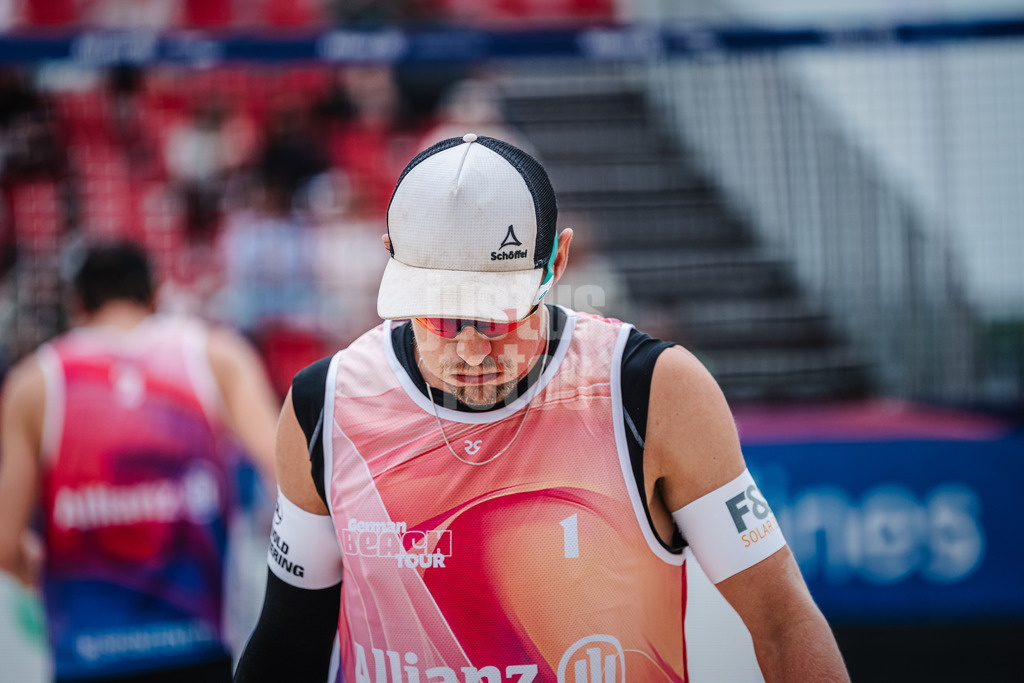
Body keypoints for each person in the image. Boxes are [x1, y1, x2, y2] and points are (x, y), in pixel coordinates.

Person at [233, 134, 849, 682]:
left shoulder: (651, 391)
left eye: (500, 315)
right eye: (442, 317)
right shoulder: (328, 403)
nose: (472, 350)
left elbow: (781, 620)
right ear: (391, 255)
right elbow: (289, 644)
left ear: (558, 260)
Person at [0, 240, 280, 683]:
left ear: (78, 305)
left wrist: (39, 576)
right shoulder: (215, 355)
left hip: (88, 652)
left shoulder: (34, 383)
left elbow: (3, 541)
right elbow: (288, 469)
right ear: (155, 294)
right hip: (199, 642)